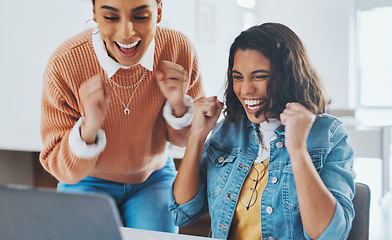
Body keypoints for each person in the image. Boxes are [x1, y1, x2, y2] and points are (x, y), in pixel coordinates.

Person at [170, 22, 356, 240]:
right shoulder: (228, 130)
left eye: (259, 76)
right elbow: (182, 213)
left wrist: (297, 149)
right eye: (238, 77)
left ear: (288, 76)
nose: (246, 89)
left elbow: (331, 235)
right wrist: (197, 136)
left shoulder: (329, 135)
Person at [40, 0, 204, 233]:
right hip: (87, 180)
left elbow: (187, 141)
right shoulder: (64, 64)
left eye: (140, 16)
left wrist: (179, 106)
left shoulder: (178, 50)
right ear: (95, 12)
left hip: (153, 176)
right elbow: (62, 169)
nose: (127, 33)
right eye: (111, 17)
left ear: (158, 11)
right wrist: (89, 129)